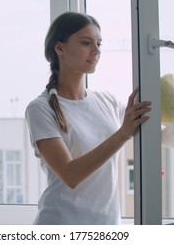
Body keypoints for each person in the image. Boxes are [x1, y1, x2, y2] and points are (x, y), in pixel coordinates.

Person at [25, 12, 152, 225]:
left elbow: (149, 128)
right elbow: (70, 175)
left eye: (99, 44)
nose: (96, 51)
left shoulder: (107, 101)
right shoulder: (40, 109)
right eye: (86, 43)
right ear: (60, 48)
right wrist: (122, 135)